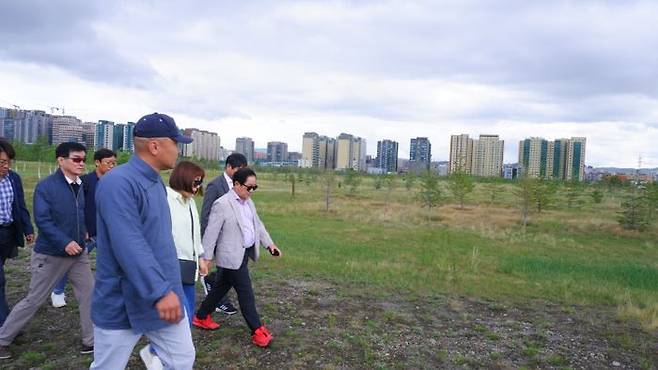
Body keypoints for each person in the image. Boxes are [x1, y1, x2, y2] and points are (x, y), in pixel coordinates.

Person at [90, 113, 195, 369]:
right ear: (155, 146)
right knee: (108, 366)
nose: (178, 150)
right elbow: (129, 244)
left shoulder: (154, 182)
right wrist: (159, 291)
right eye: (175, 143)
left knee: (181, 359)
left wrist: (168, 290)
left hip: (164, 297)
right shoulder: (119, 184)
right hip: (123, 301)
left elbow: (157, 241)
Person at [0, 142, 94, 360]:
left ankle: (91, 341)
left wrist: (85, 231)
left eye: (83, 159)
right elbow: (43, 220)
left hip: (78, 254)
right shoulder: (46, 187)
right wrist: (64, 242)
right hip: (51, 254)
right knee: (34, 299)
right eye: (76, 159)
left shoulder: (80, 185)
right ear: (61, 161)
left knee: (89, 295)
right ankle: (3, 339)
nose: (82, 163)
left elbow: (79, 214)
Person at [193, 168, 282, 348]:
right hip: (230, 257)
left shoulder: (249, 203)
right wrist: (206, 258)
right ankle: (257, 330)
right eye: (249, 187)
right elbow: (211, 233)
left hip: (244, 254)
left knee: (220, 287)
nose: (251, 191)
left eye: (254, 188)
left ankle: (201, 316)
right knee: (245, 292)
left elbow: (258, 225)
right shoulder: (222, 204)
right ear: (236, 184)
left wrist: (270, 244)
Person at [140, 161, 207, 369]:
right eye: (196, 182)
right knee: (181, 322)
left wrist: (201, 257)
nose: (198, 187)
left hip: (188, 269)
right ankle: (159, 355)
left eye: (201, 182)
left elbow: (194, 233)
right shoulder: (165, 199)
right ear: (184, 178)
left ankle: (153, 352)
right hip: (169, 269)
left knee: (184, 319)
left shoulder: (190, 203)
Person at [51, 148, 116, 308]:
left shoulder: (115, 182)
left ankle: (106, 294)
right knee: (72, 262)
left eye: (114, 163)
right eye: (108, 163)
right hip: (87, 232)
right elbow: (76, 207)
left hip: (107, 232)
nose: (112, 166)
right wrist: (83, 228)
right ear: (97, 163)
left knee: (109, 264)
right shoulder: (85, 182)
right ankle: (57, 291)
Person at [199, 153, 248, 316]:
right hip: (218, 239)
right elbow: (206, 215)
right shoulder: (215, 185)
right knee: (229, 272)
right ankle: (217, 301)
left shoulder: (241, 187)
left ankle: (211, 291)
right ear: (229, 167)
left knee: (227, 272)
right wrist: (209, 244)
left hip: (234, 239)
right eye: (239, 170)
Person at [0, 139, 34, 327]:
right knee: (0, 280)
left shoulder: (13, 178)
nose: (6, 166)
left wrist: (28, 229)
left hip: (7, 234)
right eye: (2, 162)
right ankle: (5, 326)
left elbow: (20, 206)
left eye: (8, 162)